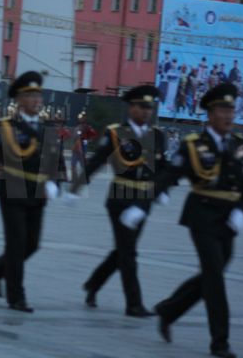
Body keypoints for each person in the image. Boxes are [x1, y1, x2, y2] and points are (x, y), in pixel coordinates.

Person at [152, 83, 243, 358]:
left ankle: (168, 310)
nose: (229, 115)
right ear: (210, 114)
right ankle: (220, 342)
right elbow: (170, 174)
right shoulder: (193, 144)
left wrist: (242, 210)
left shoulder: (239, 144)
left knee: (211, 274)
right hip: (202, 216)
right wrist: (147, 200)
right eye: (223, 110)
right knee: (215, 278)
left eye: (231, 110)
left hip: (228, 220)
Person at [0, 71, 67, 312]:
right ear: (19, 100)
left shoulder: (47, 128)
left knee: (32, 244)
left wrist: (55, 183)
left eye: (38, 95)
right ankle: (16, 296)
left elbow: (57, 160)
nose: (36, 100)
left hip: (37, 194)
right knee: (16, 243)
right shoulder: (5, 127)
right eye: (30, 95)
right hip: (11, 191)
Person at [68, 85, 167, 317]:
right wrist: (76, 187)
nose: (146, 111)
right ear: (131, 108)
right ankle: (134, 304)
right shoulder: (116, 133)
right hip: (120, 198)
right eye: (141, 107)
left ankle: (93, 284)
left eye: (149, 108)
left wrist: (164, 189)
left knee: (123, 250)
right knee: (129, 252)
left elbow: (163, 167)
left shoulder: (157, 135)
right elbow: (96, 161)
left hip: (143, 200)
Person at [70, 111, 97, 184]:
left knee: (83, 165)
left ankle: (85, 178)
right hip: (76, 147)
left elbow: (93, 135)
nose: (81, 118)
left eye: (82, 117)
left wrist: (88, 140)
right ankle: (74, 179)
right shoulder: (77, 127)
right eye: (80, 117)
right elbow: (74, 138)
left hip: (82, 147)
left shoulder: (87, 127)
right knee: (73, 164)